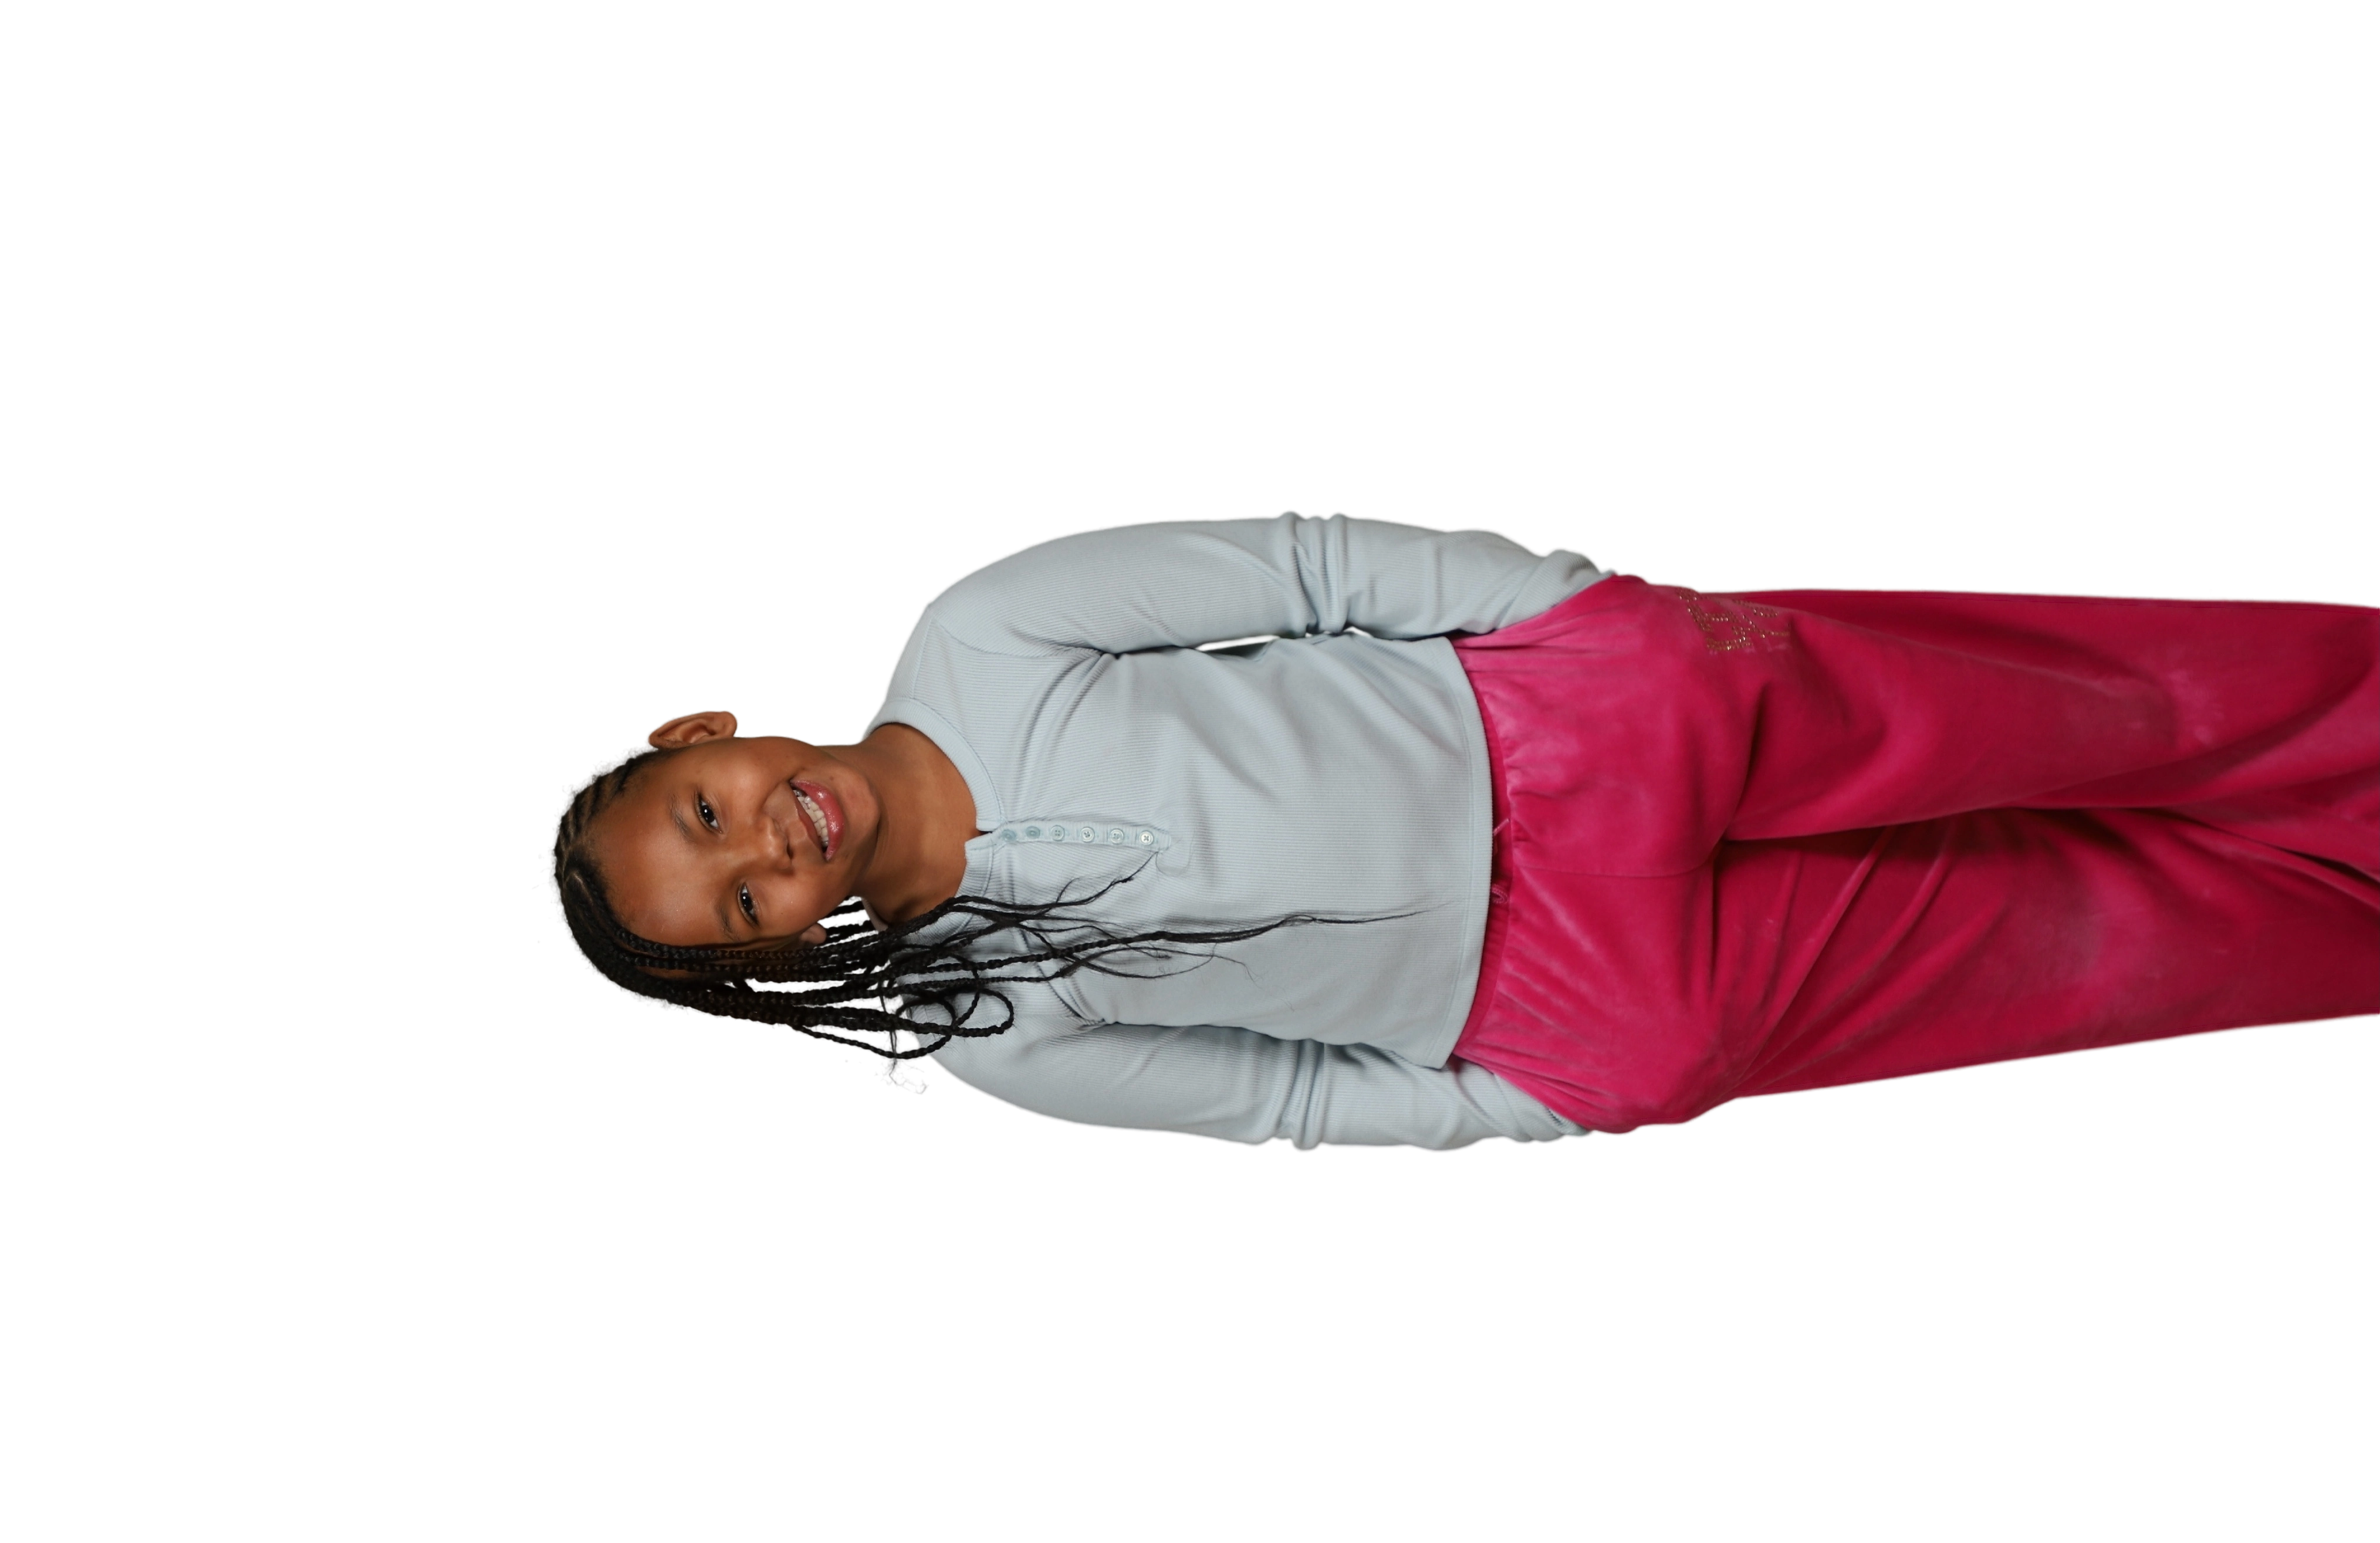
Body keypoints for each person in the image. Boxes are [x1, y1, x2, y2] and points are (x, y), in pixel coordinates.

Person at [535, 511, 2380, 1153]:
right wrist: (1547, 1100)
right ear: (783, 949)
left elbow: (1304, 569)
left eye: (710, 810)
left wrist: (1573, 612)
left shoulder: (988, 632)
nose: (769, 843)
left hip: (1585, 732)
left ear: (708, 731)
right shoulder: (1006, 1031)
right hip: (1588, 991)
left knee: (2108, 715)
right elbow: (1287, 1102)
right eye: (743, 899)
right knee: (2111, 953)